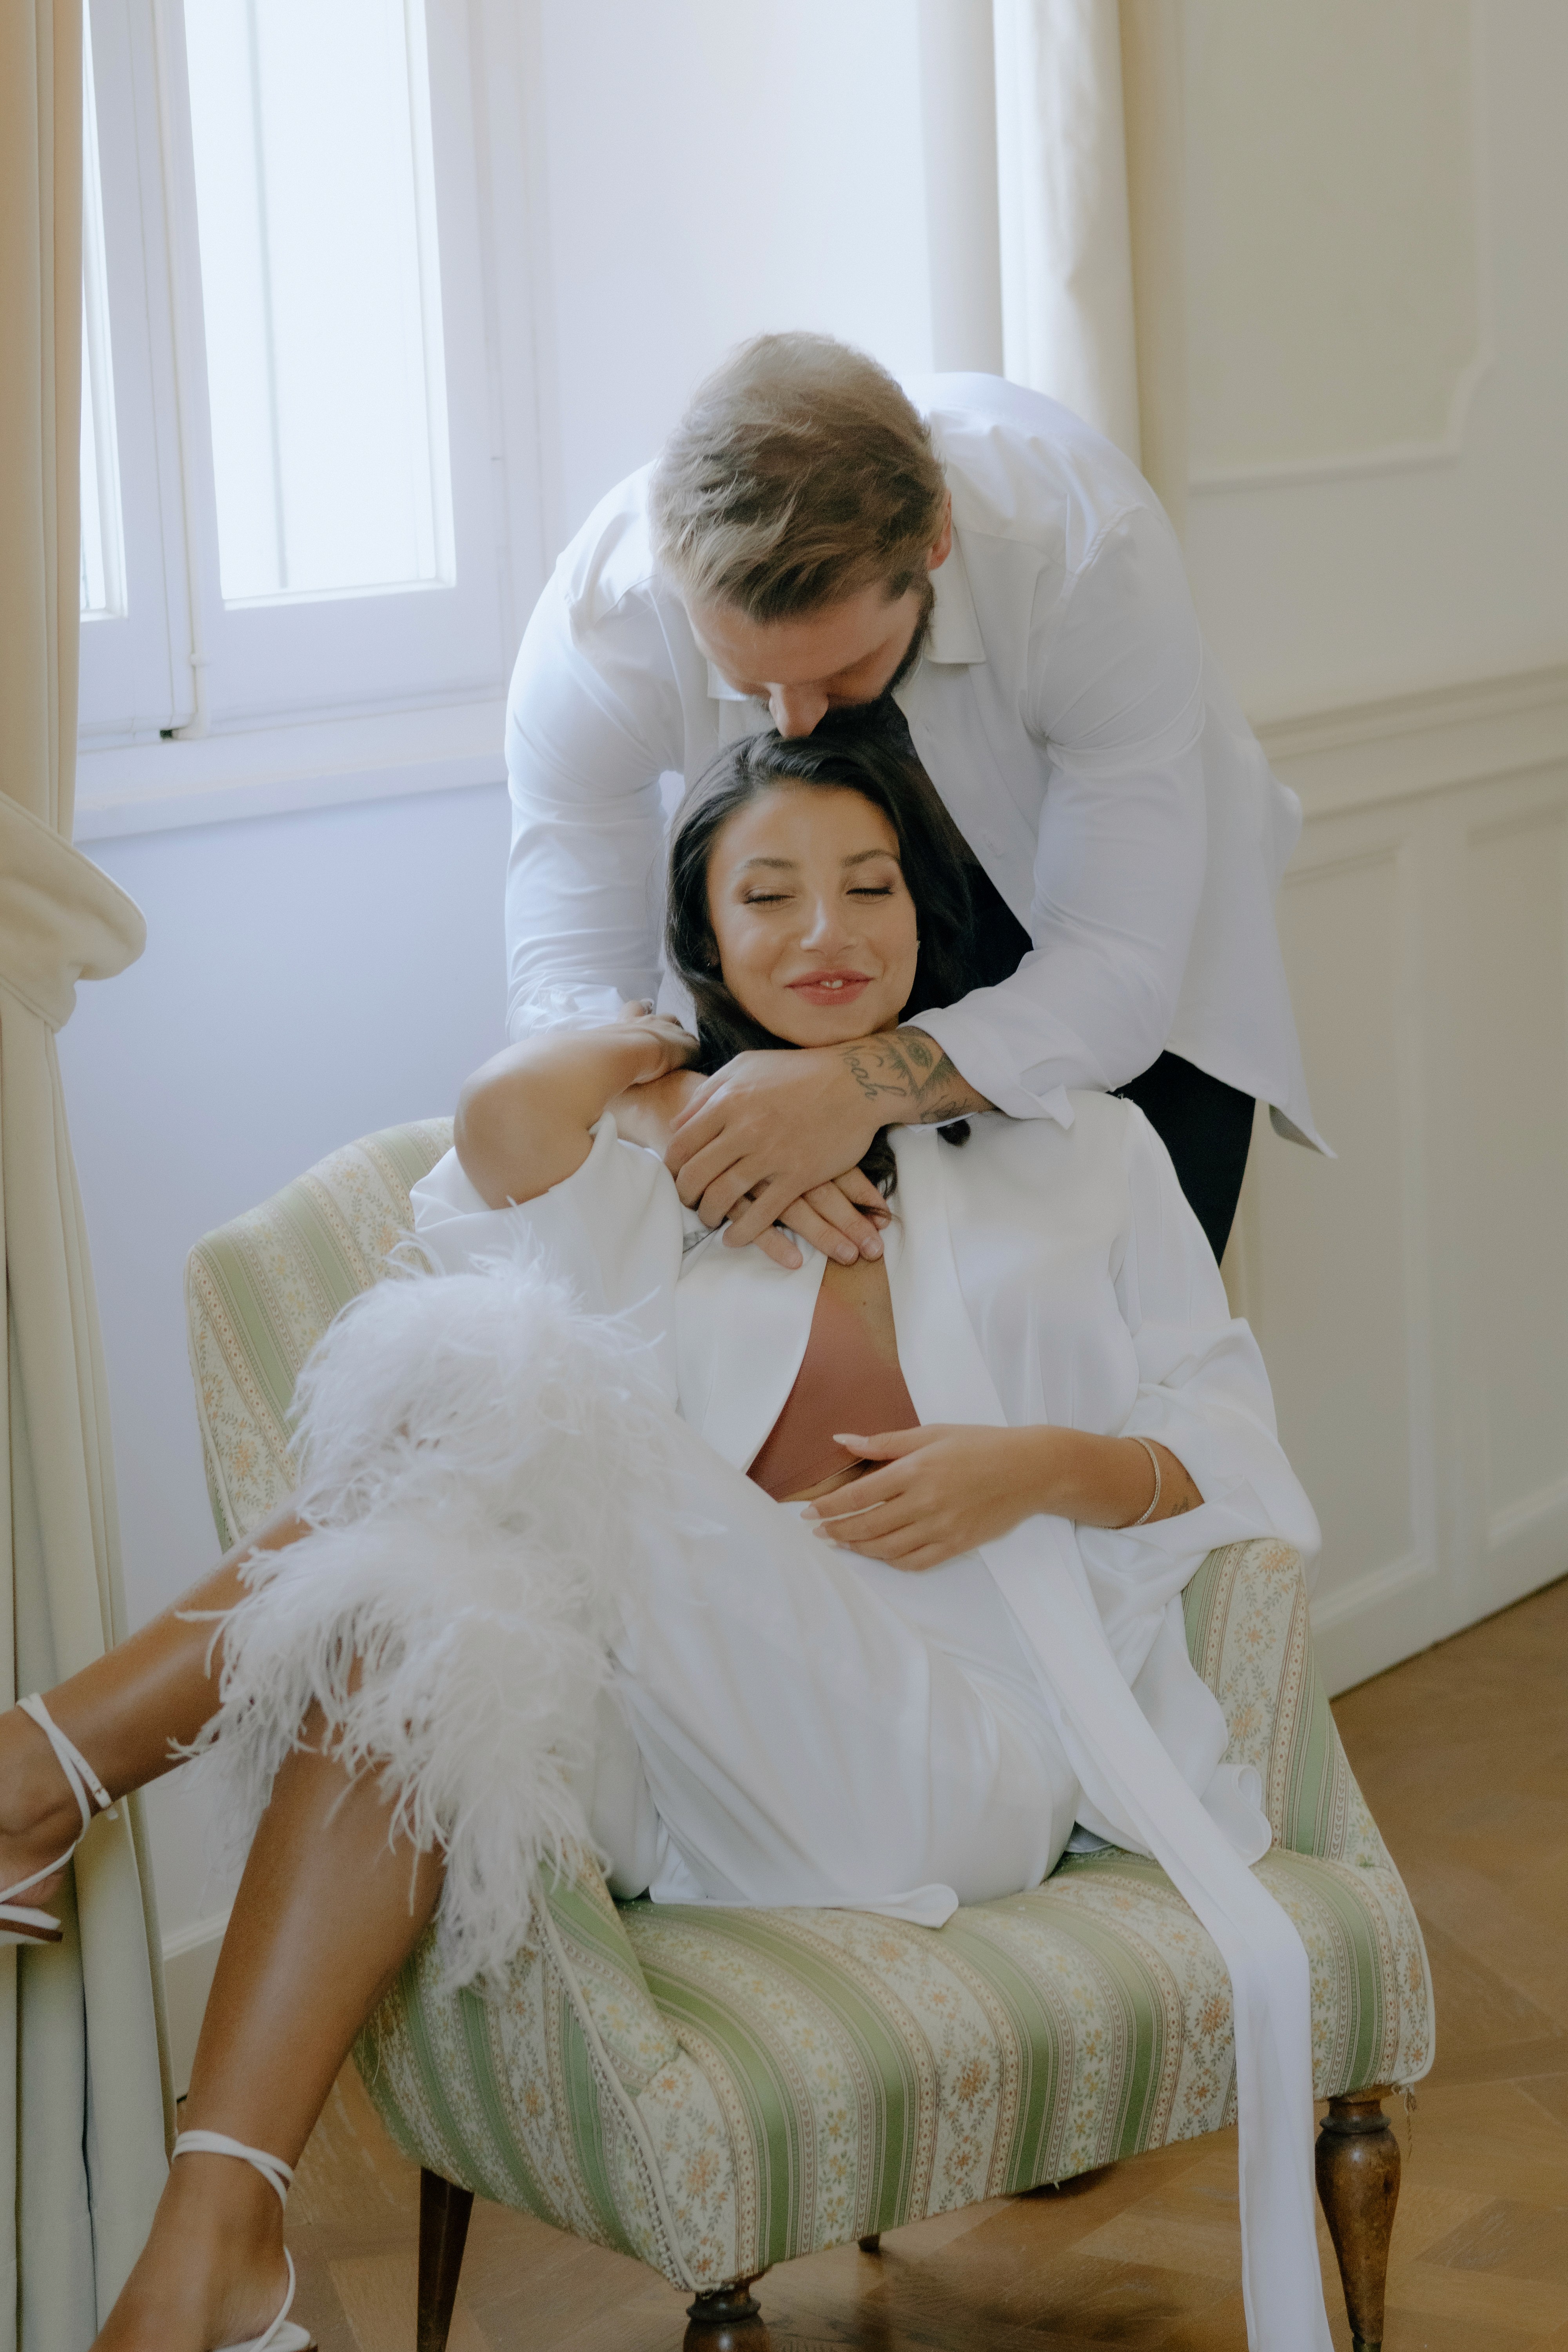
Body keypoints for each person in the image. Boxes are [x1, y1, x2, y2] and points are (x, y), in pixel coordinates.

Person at [1, 723, 1330, 2352]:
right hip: (681, 1775)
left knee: (498, 1375)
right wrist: (678, 1084)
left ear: (928, 910)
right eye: (764, 897)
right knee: (408, 1623)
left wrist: (1036, 1466)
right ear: (706, 942)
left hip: (950, 1755)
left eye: (867, 884)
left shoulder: (1081, 1153)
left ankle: (44, 1771)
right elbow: (494, 1126)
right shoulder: (668, 1161)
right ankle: (221, 2237)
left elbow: (1234, 1450)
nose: (827, 930)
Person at [504, 332, 1324, 1275]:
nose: (797, 723)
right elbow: (566, 984)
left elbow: (1115, 963)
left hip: (1114, 946)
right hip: (813, 966)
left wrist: (855, 1089)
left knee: (1109, 1347)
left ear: (933, 537)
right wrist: (683, 1115)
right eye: (750, 682)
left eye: (839, 668)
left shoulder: (1084, 556)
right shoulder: (599, 628)